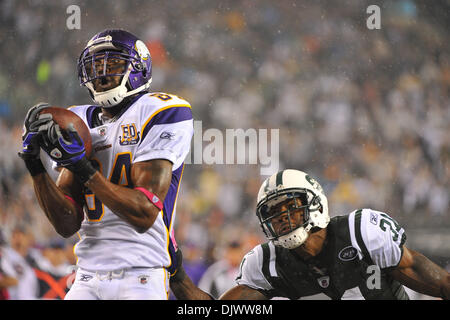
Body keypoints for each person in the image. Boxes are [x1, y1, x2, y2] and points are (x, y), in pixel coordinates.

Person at [18, 29, 193, 300]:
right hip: (87, 273)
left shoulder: (161, 110)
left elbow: (145, 213)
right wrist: (35, 168)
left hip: (140, 273)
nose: (101, 74)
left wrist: (83, 169)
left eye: (112, 64)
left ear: (138, 67)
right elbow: (66, 224)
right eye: (94, 66)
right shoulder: (79, 120)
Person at [170, 169, 450, 300]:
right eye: (273, 213)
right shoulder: (267, 262)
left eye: (289, 207)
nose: (281, 218)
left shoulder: (360, 232)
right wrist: (177, 274)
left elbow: (440, 284)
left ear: (315, 202)